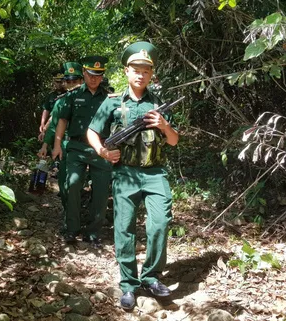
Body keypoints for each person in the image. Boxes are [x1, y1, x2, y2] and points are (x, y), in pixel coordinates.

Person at [86, 41, 179, 310]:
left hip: (155, 173)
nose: (141, 74)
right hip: (124, 174)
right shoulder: (112, 102)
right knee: (124, 228)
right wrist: (102, 151)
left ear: (152, 75)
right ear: (126, 71)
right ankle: (128, 284)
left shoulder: (159, 103)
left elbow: (173, 141)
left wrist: (164, 125)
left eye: (146, 71)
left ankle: (150, 276)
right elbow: (93, 131)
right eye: (135, 69)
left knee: (159, 223)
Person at [51, 56, 112, 247]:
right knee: (73, 184)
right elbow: (62, 121)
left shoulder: (109, 98)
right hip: (77, 147)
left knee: (101, 192)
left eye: (98, 75)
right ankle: (72, 229)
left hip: (102, 149)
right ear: (84, 73)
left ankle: (93, 232)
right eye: (91, 74)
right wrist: (57, 145)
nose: (94, 79)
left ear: (102, 76)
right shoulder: (73, 95)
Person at [38, 62, 84, 226]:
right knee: (66, 185)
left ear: (82, 80)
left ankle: (84, 217)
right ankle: (71, 219)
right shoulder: (60, 102)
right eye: (68, 81)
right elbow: (54, 125)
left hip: (92, 149)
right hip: (66, 146)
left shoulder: (95, 99)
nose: (71, 85)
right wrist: (45, 145)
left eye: (75, 81)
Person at [38, 67, 66, 141]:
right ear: (54, 82)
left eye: (61, 82)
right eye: (57, 82)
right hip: (51, 125)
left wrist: (45, 128)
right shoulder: (51, 95)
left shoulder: (67, 95)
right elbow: (46, 109)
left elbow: (55, 114)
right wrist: (42, 123)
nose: (59, 84)